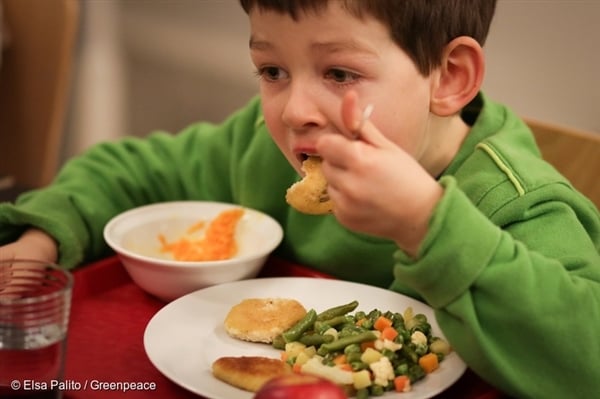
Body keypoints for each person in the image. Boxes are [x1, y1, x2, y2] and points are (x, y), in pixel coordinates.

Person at [1, 0, 598, 397]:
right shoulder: (263, 146)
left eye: (339, 74)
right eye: (272, 71)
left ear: (448, 78)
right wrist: (41, 237)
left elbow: (585, 355)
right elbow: (129, 170)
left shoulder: (516, 200)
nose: (293, 112)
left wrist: (426, 225)